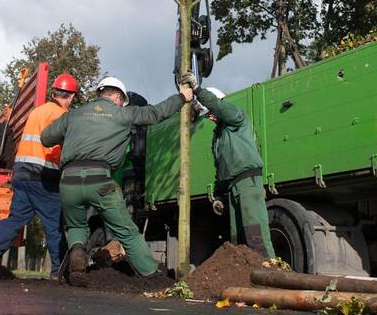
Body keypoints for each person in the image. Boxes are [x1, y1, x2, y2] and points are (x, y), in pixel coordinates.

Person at [42, 74, 194, 286]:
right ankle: (153, 277)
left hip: (68, 181)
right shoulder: (123, 114)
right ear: (117, 97)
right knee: (127, 232)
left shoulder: (73, 115)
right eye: (122, 100)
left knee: (76, 225)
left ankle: (78, 251)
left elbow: (46, 137)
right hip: (99, 181)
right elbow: (155, 113)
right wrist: (181, 97)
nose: (122, 103)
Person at [0, 73, 78, 281]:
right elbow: (60, 150)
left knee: (16, 219)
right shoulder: (61, 116)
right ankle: (59, 272)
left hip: (21, 173)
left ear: (54, 91)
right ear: (71, 96)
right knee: (54, 224)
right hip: (43, 176)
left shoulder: (37, 111)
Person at [194, 87, 275, 258]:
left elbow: (218, 106)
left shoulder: (236, 118)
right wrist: (218, 196)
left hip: (248, 183)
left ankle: (271, 275)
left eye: (209, 112)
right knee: (237, 241)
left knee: (256, 236)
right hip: (232, 188)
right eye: (206, 114)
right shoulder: (217, 136)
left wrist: (197, 90)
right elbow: (220, 168)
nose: (209, 116)